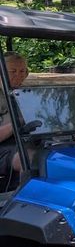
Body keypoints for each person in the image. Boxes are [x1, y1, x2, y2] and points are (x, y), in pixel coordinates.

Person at [0, 53, 28, 188]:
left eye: (22, 71)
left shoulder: (26, 94)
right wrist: (17, 122)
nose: (19, 75)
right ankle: (25, 196)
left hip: (26, 141)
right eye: (13, 71)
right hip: (4, 147)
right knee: (29, 158)